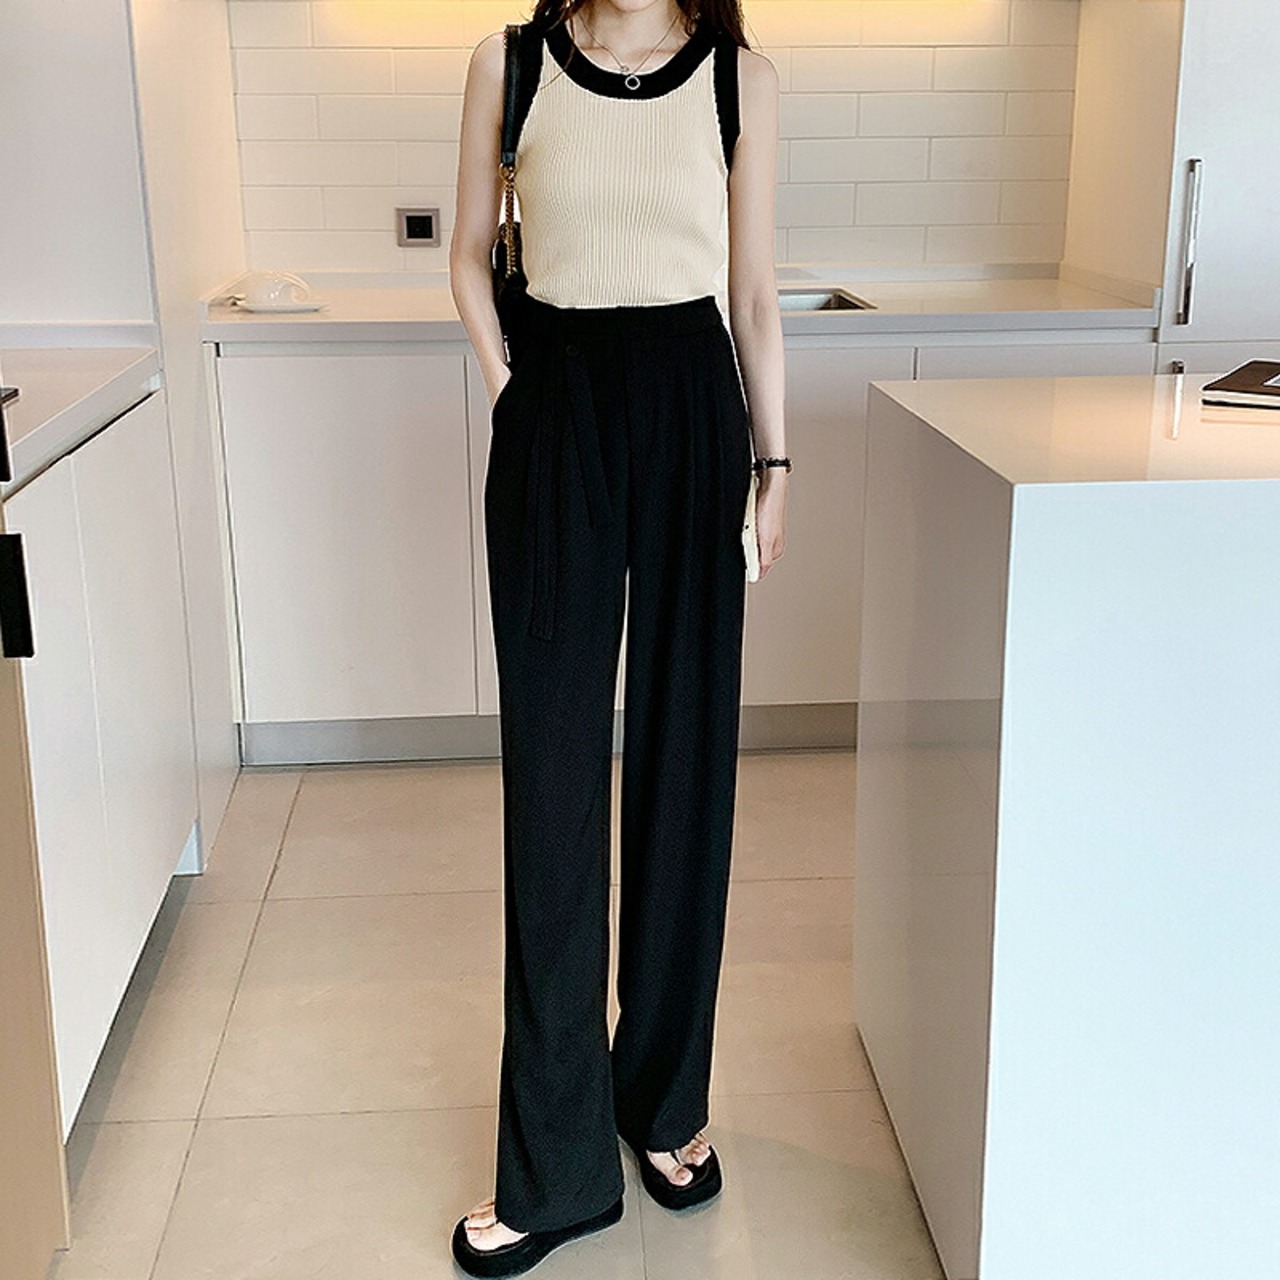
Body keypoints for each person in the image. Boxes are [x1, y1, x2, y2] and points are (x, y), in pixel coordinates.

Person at [448, 1, 785, 1273]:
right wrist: (517, 396)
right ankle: (556, 1167)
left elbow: (751, 291)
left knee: (684, 764)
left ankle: (662, 1098)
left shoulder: (740, 79)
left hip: (694, 405)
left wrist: (774, 460)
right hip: (558, 402)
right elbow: (467, 257)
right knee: (550, 780)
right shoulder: (509, 63)